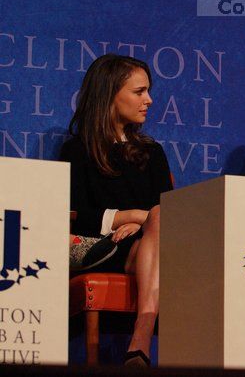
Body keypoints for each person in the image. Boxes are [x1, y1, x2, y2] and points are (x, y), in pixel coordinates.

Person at [60, 54, 172, 366]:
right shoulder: (77, 149)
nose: (149, 100)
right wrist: (130, 216)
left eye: (148, 91)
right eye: (139, 92)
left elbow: (168, 213)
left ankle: (141, 336)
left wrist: (143, 224)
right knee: (157, 221)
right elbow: (71, 214)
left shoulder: (152, 152)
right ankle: (141, 343)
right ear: (110, 94)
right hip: (98, 248)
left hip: (144, 247)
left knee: (165, 219)